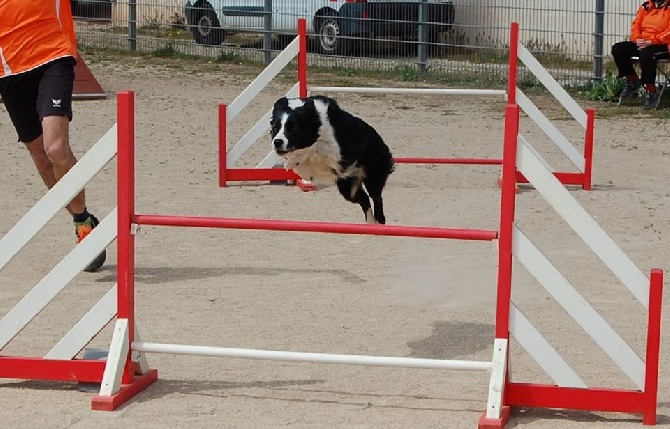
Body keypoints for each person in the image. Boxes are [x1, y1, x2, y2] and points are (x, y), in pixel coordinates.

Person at [0, 0, 106, 272]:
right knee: (41, 156)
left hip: (52, 55)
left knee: (56, 148)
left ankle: (83, 223)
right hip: (9, 69)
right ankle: (81, 219)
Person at [612, 0, 670, 109]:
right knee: (618, 49)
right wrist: (637, 39)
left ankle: (651, 90)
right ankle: (632, 80)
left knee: (646, 55)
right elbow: (635, 25)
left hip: (662, 44)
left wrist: (652, 41)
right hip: (643, 42)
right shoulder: (646, 6)